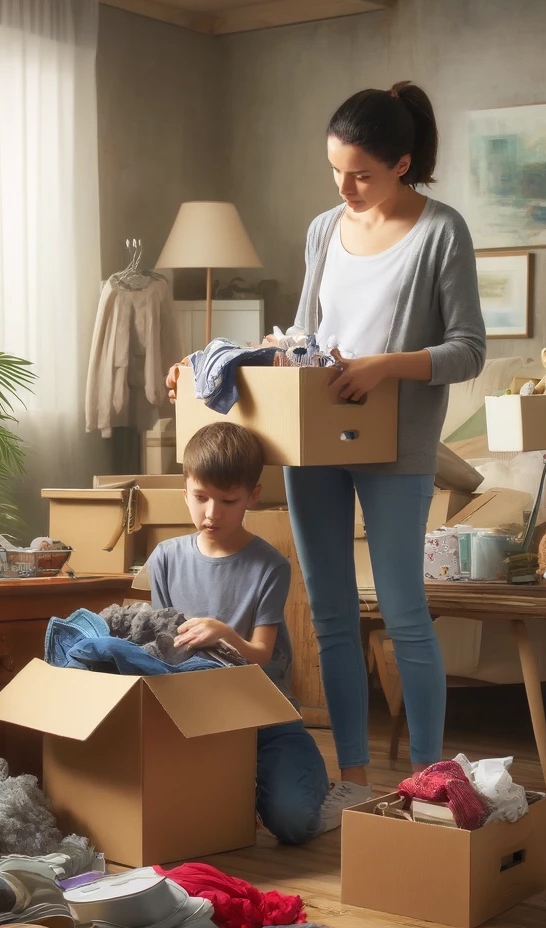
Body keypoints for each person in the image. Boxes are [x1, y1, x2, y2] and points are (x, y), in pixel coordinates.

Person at [166, 81, 485, 823]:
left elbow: (468, 350)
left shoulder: (442, 231)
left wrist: (385, 365)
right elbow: (297, 339)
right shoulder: (322, 231)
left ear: (403, 164)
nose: (345, 187)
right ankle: (351, 776)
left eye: (362, 174)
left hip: (397, 445)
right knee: (334, 617)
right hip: (314, 441)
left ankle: (430, 780)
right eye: (335, 169)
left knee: (405, 615)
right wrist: (211, 363)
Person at [145, 421, 331, 843]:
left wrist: (223, 632)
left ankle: (301, 772)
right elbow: (157, 645)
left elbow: (262, 653)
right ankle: (240, 787)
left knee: (294, 823)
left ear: (252, 497)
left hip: (264, 716)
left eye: (228, 501)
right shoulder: (165, 559)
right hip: (195, 718)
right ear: (186, 490)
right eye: (200, 498)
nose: (211, 514)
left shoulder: (269, 566)